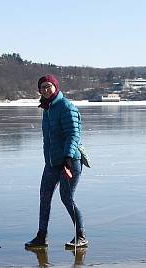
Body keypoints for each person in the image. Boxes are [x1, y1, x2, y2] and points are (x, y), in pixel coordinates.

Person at [25, 75, 87, 249]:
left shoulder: (66, 107)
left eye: (48, 86)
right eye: (42, 87)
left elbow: (74, 134)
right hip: (52, 162)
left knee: (67, 198)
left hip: (70, 161)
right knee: (44, 197)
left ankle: (80, 236)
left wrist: (67, 157)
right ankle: (41, 236)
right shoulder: (48, 108)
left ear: (55, 87)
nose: (45, 90)